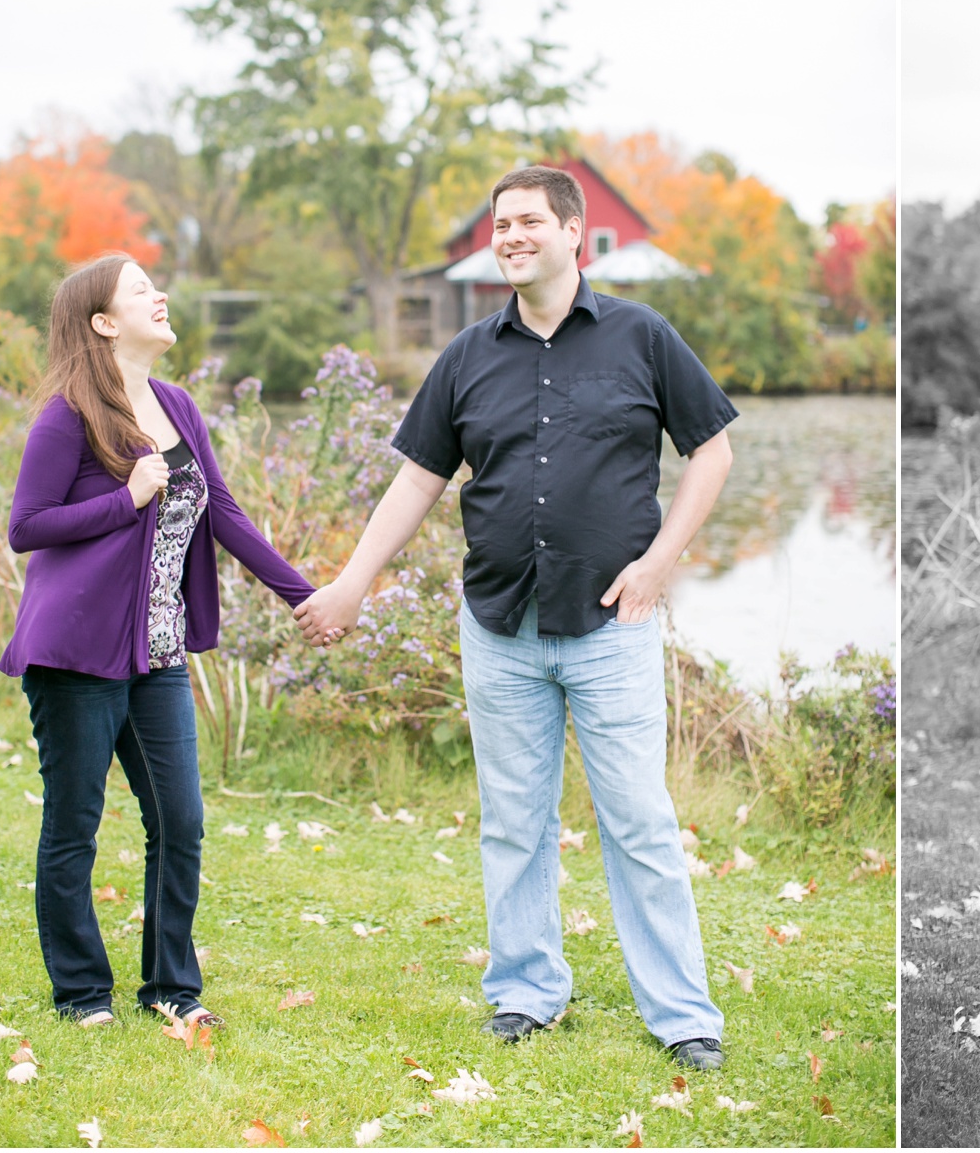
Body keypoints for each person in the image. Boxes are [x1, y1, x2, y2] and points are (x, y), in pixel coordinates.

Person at [295, 165, 737, 1069]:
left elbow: (713, 452)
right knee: (513, 820)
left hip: (611, 626)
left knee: (639, 820)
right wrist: (351, 583)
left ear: (574, 232)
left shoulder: (642, 337)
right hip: (498, 627)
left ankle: (683, 1013)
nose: (510, 236)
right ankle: (527, 993)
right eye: (500, 224)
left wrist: (660, 562)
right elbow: (417, 479)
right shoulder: (466, 356)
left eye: (529, 220)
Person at [0, 252, 315, 1030]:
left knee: (180, 820)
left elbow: (226, 514)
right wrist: (124, 498)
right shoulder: (68, 415)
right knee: (73, 823)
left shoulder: (176, 403)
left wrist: (307, 598)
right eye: (141, 289)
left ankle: (172, 986)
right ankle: (79, 993)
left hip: (159, 653)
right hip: (76, 654)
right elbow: (26, 528)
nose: (159, 294)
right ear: (104, 321)